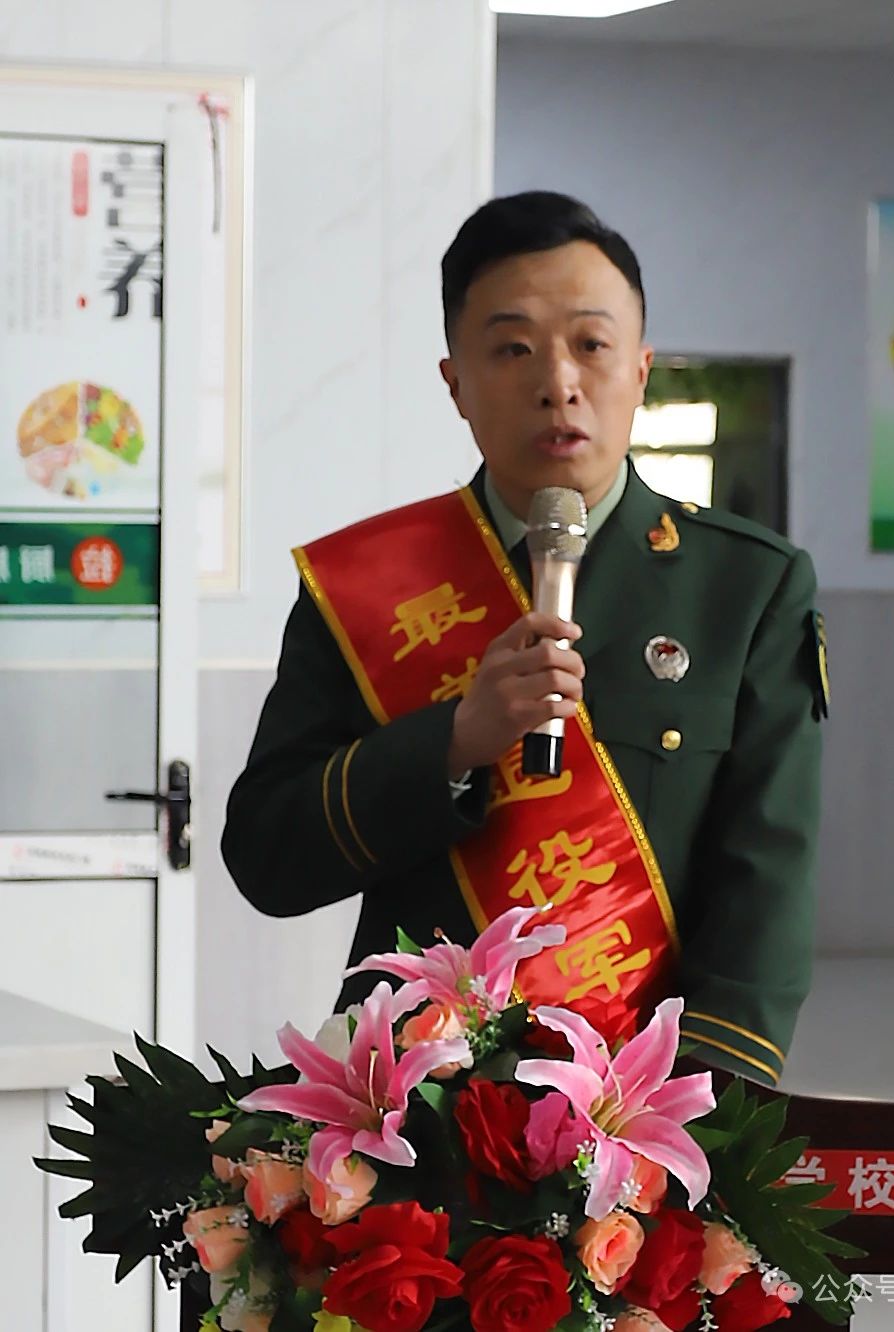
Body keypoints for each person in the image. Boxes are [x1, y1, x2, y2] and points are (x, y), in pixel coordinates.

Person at [222, 190, 828, 1089]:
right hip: (415, 1108)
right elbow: (268, 858)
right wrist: (452, 744)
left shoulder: (746, 589)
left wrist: (694, 1108)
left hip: (634, 1107)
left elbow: (766, 883)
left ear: (641, 370)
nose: (558, 382)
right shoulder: (369, 584)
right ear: (455, 383)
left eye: (592, 344)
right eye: (513, 349)